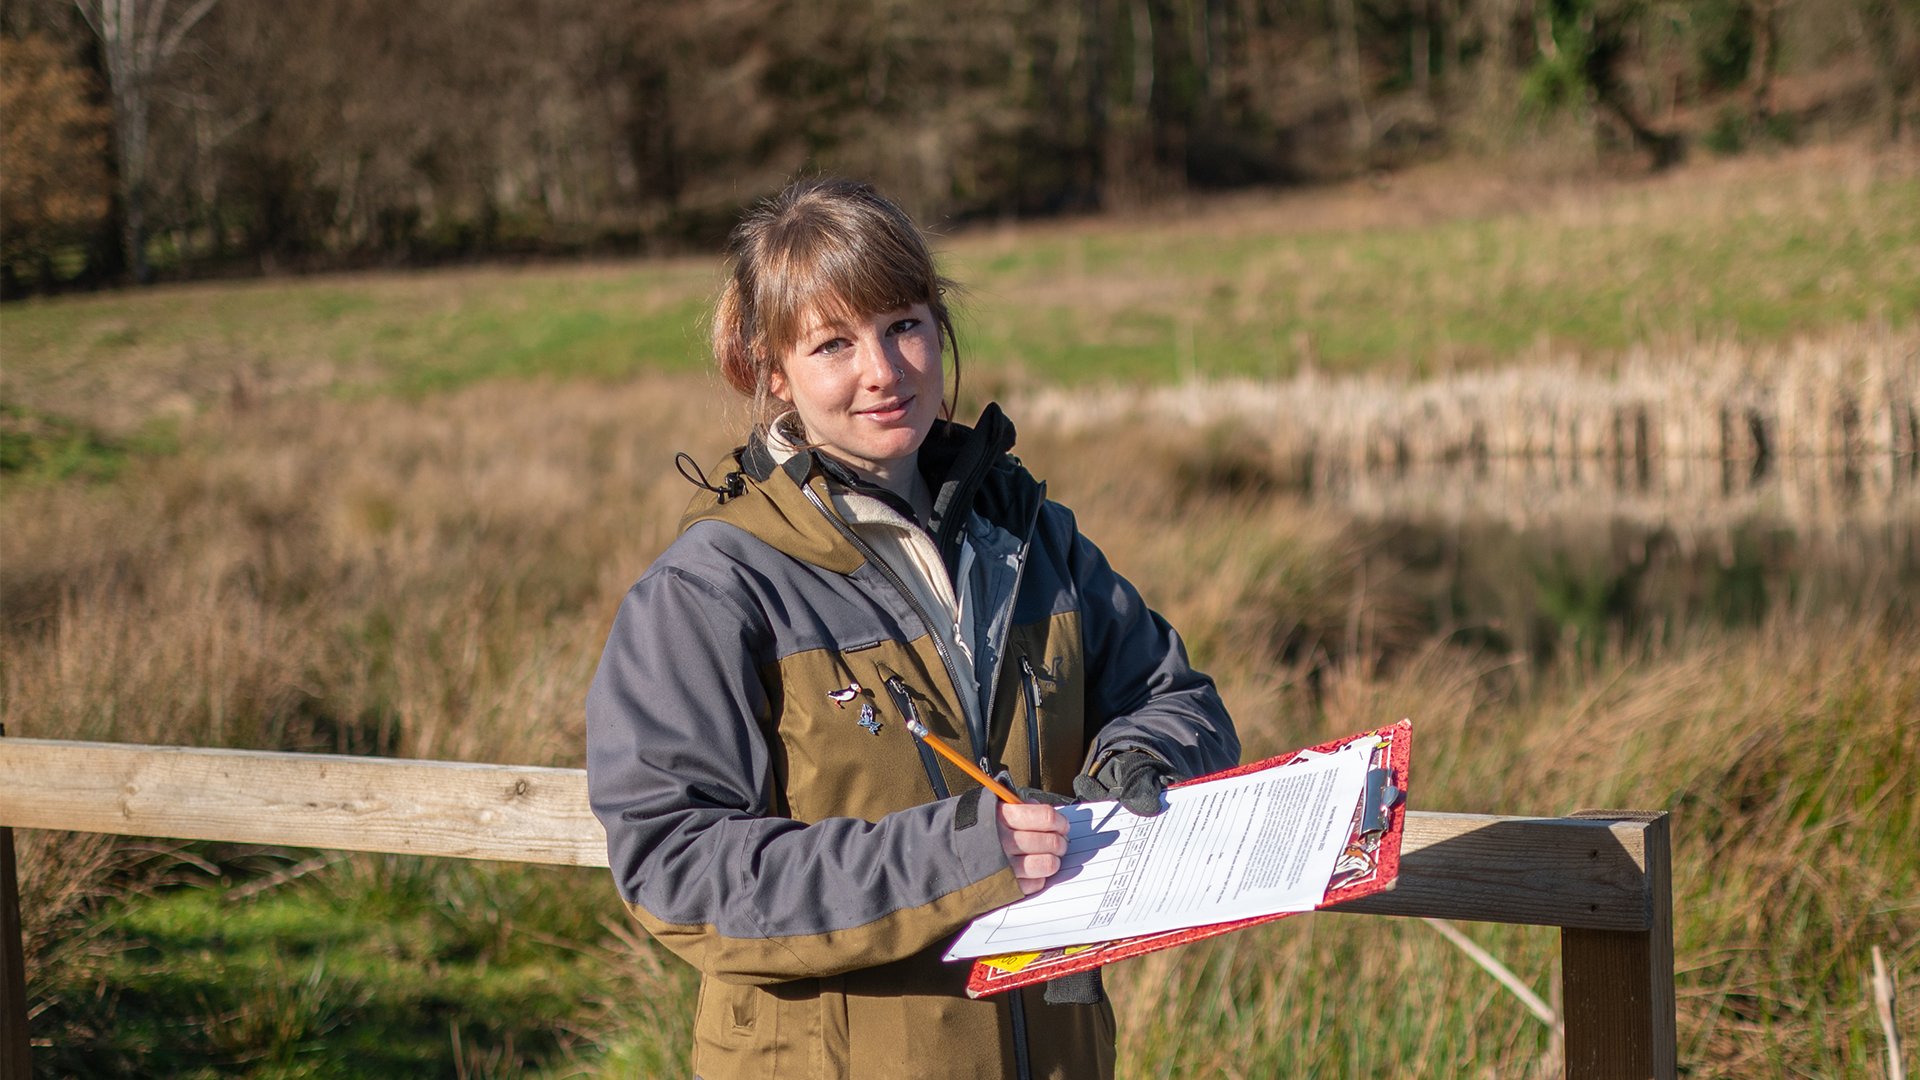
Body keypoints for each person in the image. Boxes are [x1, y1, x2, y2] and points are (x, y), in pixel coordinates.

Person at [585, 178, 1240, 1080]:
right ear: (772, 370)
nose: (884, 371)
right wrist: (964, 852)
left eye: (904, 324)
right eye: (832, 345)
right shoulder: (711, 589)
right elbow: (680, 868)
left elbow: (1175, 699)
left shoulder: (1032, 536)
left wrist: (1139, 766)